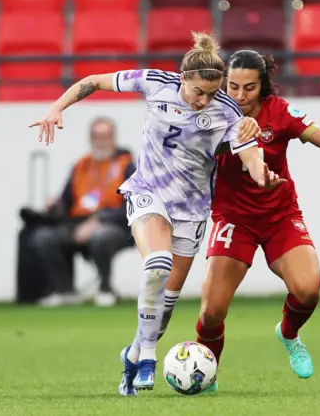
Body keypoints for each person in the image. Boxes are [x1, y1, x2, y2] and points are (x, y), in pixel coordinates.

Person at [29, 34, 286, 397]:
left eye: (212, 94)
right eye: (199, 92)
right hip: (148, 192)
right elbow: (93, 81)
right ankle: (148, 356)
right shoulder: (154, 83)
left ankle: (133, 353)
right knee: (158, 263)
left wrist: (263, 177)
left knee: (163, 309)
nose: (205, 101)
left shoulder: (227, 111)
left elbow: (250, 155)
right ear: (183, 79)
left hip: (192, 210)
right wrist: (57, 107)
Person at [158, 50, 320, 388]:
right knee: (212, 312)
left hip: (279, 215)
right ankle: (208, 366)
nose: (240, 95)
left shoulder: (281, 112)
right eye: (233, 87)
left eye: (249, 88)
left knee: (307, 289)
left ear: (263, 87)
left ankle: (288, 333)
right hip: (233, 219)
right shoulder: (209, 114)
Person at [30, 117, 136, 307]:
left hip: (114, 224)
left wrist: (99, 220)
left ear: (113, 138)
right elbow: (66, 201)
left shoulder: (126, 165)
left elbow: (132, 205)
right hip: (78, 223)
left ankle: (105, 289)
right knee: (44, 237)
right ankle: (65, 291)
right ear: (91, 138)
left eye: (105, 136)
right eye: (96, 136)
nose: (101, 141)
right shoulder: (80, 165)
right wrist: (55, 205)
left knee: (101, 237)